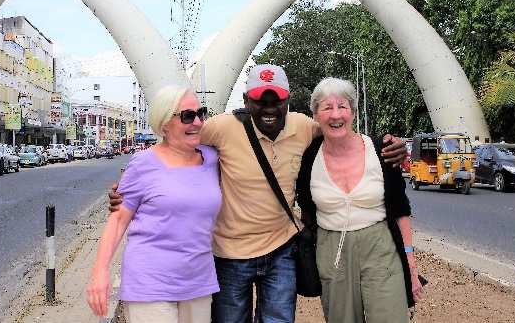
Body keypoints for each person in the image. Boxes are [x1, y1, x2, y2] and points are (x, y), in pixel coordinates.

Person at [110, 64, 406, 323]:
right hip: (229, 253)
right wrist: (131, 185)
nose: (268, 108)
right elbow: (176, 139)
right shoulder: (221, 127)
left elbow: (342, 131)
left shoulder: (304, 126)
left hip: (281, 251)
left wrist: (387, 144)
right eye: (259, 100)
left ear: (288, 101)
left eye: (276, 100)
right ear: (245, 101)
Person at [87, 85, 222, 323]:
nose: (198, 122)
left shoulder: (212, 158)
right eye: (187, 116)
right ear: (164, 124)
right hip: (150, 284)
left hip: (199, 283)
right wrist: (99, 272)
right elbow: (118, 220)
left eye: (201, 113)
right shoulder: (143, 164)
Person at [296, 77, 423, 323]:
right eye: (327, 108)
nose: (335, 115)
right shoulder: (308, 157)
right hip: (332, 249)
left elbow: (400, 208)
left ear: (353, 112)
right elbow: (305, 205)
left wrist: (410, 262)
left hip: (379, 246)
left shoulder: (381, 149)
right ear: (315, 115)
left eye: (342, 106)